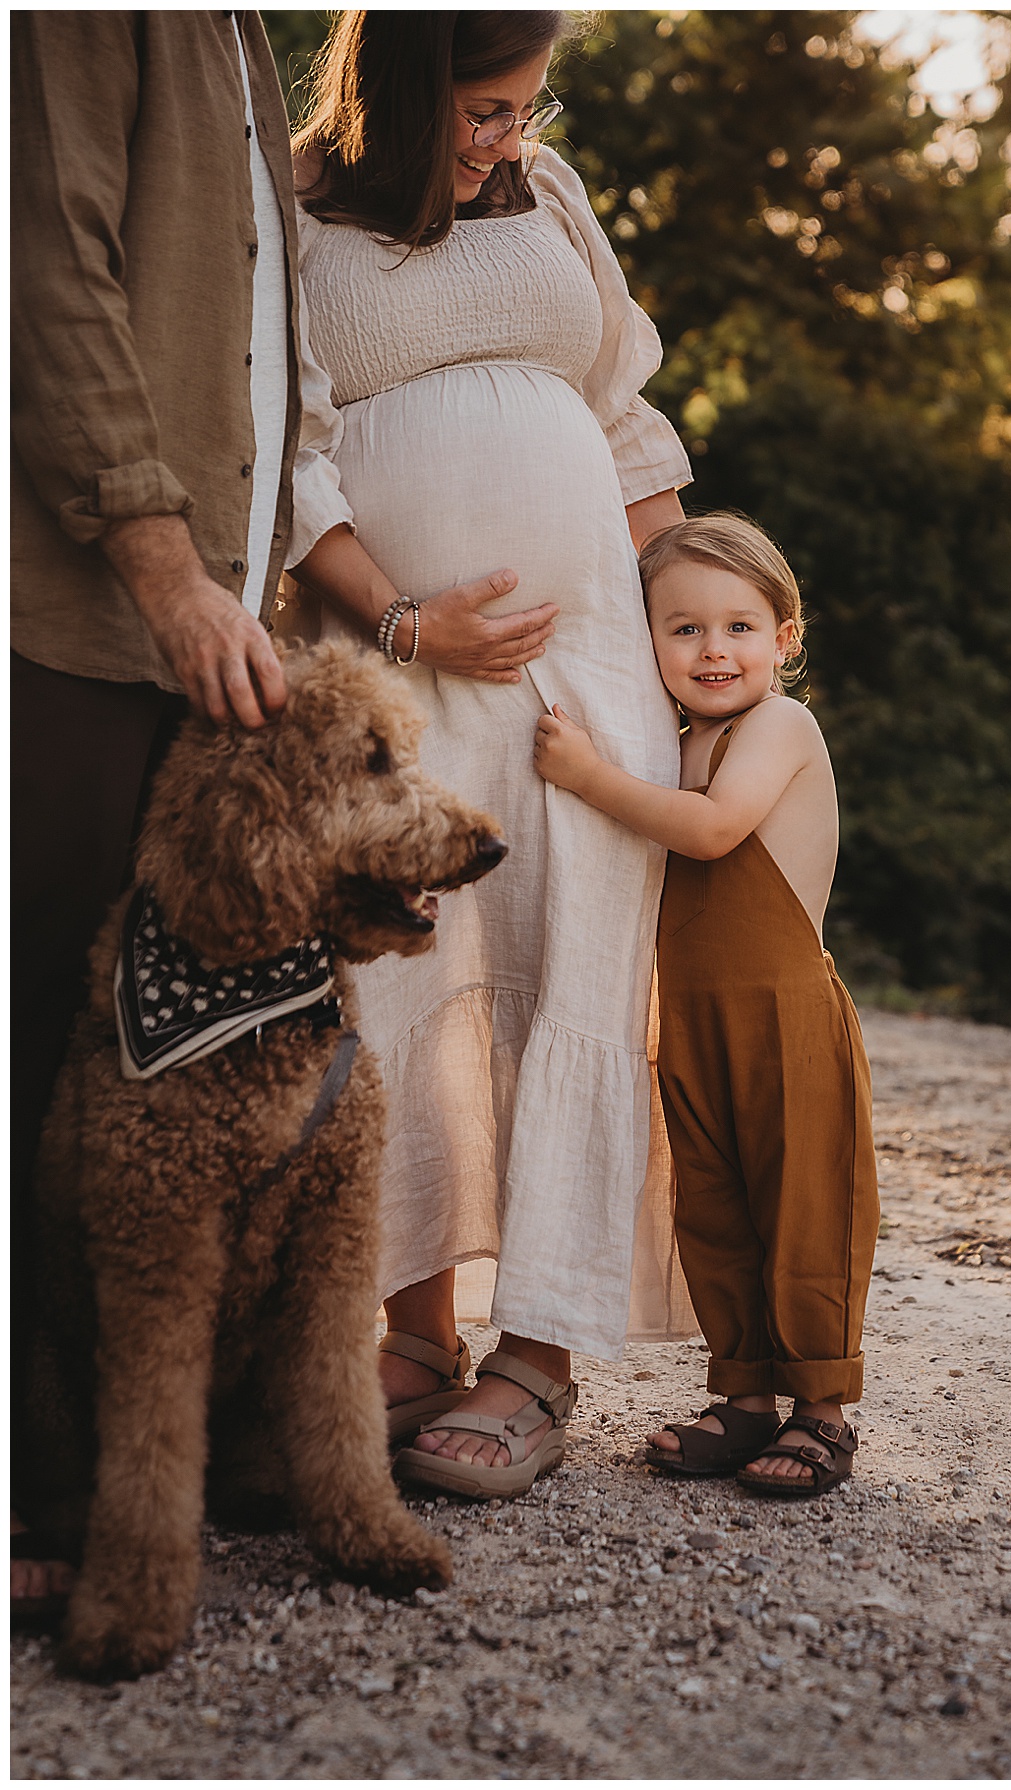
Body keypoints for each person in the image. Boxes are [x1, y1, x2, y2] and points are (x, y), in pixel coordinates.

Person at [10, 10, 555, 1614]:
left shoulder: (245, 41)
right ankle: (49, 1502)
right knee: (53, 1061)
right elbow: (48, 268)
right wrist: (164, 566)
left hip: (215, 625)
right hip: (80, 614)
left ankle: (219, 1458)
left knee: (205, 1068)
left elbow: (266, 365)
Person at [288, 11, 692, 1499]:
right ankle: (414, 1328)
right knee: (401, 974)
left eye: (526, 108)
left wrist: (693, 643)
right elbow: (277, 444)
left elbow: (622, 415)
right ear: (396, 95)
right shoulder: (299, 212)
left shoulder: (552, 195)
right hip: (394, 676)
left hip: (580, 663)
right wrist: (404, 620)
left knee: (574, 957)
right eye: (478, 113)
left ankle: (541, 1350)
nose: (506, 138)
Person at [534, 514, 879, 1497]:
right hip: (694, 1015)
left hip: (786, 1016)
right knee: (716, 1206)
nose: (713, 649)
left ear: (786, 637)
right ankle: (743, 1394)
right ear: (645, 639)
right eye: (682, 628)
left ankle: (821, 1407)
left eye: (738, 626)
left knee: (803, 1202)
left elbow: (715, 829)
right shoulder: (679, 740)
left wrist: (589, 775)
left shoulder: (780, 727)